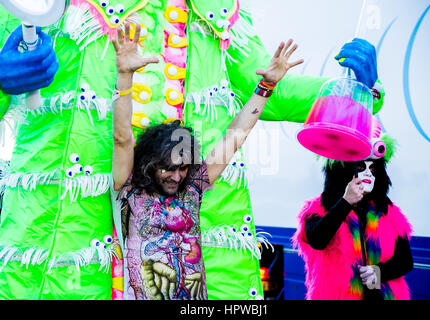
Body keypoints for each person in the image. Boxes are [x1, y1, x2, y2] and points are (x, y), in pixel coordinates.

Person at [0, 1, 383, 299]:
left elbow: (262, 97)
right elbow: (128, 139)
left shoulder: (215, 13)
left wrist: (350, 91)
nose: (174, 173)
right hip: (64, 241)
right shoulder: (43, 6)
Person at [111, 23, 303, 300]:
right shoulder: (128, 188)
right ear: (150, 163)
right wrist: (125, 77)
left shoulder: (192, 189)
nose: (176, 176)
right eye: (168, 168)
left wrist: (267, 85)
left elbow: (235, 137)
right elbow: (121, 137)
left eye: (183, 168)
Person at [292, 139, 413, 300]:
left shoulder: (387, 210)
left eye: (373, 168)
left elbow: (406, 261)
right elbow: (317, 240)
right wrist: (345, 202)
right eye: (361, 167)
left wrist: (379, 273)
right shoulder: (318, 208)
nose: (369, 173)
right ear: (343, 172)